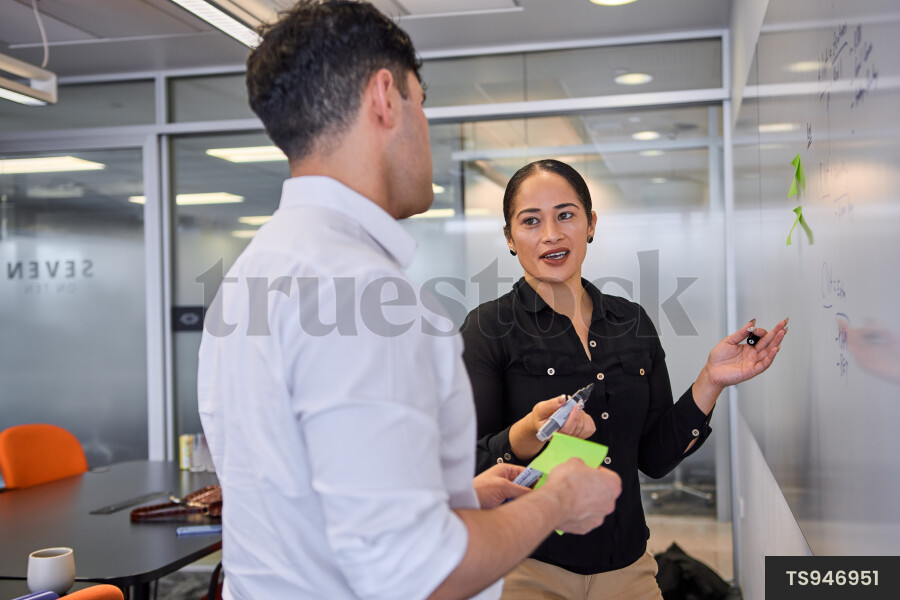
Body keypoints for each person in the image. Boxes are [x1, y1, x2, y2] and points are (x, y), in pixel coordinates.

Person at [197, 4, 622, 600]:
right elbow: (419, 573)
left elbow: (303, 497)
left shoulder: (250, 275)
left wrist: (454, 498)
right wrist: (555, 502)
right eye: (420, 102)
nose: (425, 127)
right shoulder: (364, 296)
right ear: (384, 99)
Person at [460, 159, 788, 600]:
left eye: (566, 215)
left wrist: (711, 380)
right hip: (526, 568)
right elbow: (466, 468)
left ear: (591, 224)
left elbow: (654, 457)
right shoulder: (487, 328)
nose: (551, 234)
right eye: (531, 221)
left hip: (628, 570)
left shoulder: (631, 322)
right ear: (509, 238)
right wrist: (527, 437)